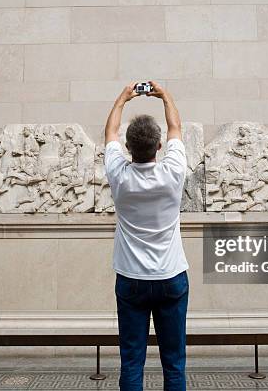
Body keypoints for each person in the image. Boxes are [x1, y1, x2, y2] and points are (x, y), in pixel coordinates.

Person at [104, 81, 190, 391]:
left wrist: (123, 99)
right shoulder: (173, 172)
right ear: (159, 147)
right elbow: (176, 127)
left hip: (131, 279)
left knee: (131, 362)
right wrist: (165, 95)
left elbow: (109, 133)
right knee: (174, 362)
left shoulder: (119, 175)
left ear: (128, 149)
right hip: (171, 277)